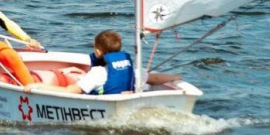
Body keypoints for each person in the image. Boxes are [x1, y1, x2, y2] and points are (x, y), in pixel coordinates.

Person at [24, 30, 181, 94]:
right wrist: (175, 77)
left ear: (98, 51)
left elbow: (71, 91)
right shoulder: (131, 71)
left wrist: (38, 86)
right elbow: (155, 78)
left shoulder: (98, 73)